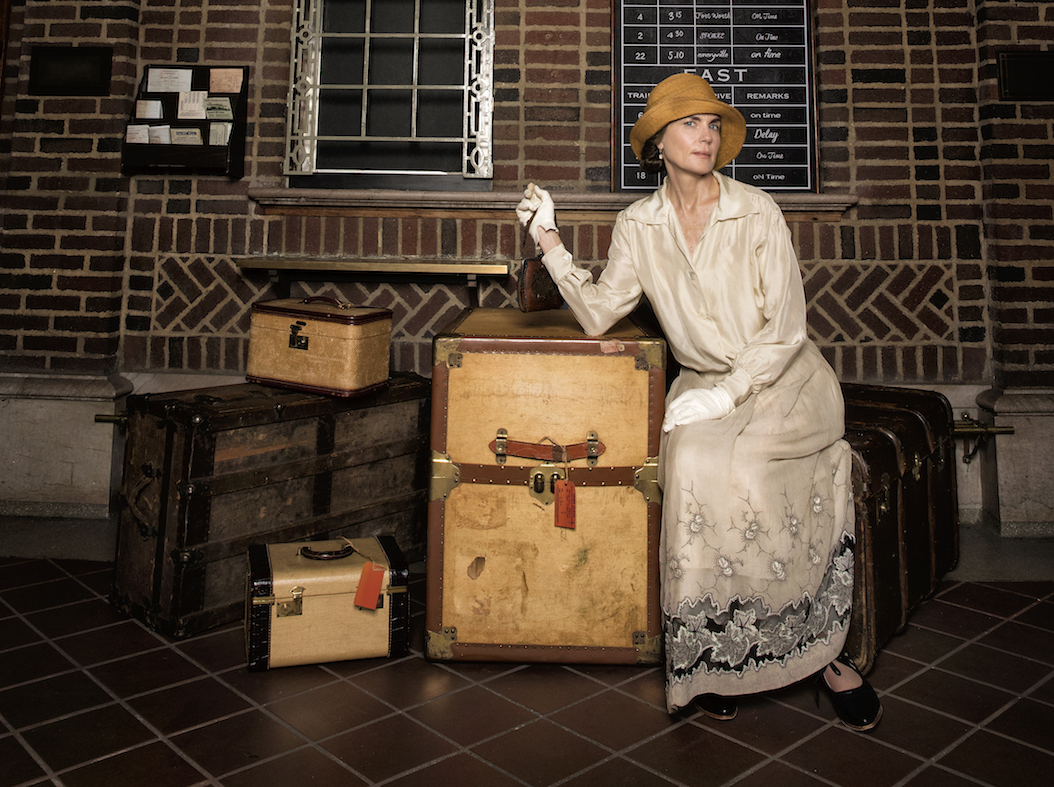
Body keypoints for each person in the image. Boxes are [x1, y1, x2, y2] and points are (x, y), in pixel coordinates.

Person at [515, 73, 881, 731]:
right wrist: (550, 241)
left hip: (785, 380)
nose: (705, 136)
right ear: (658, 142)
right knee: (689, 466)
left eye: (712, 125)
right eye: (690, 124)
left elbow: (787, 329)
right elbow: (598, 314)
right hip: (704, 385)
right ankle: (718, 655)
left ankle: (825, 649)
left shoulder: (758, 211)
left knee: (745, 463)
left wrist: (728, 393)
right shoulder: (639, 226)